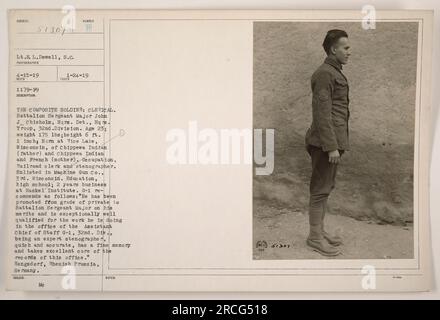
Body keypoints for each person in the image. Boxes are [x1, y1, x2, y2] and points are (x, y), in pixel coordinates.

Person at [304, 29, 351, 256]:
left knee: (325, 189)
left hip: (330, 142)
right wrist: (331, 146)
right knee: (320, 191)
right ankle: (314, 237)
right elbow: (322, 115)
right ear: (334, 49)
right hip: (324, 144)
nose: (349, 52)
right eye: (345, 48)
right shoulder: (325, 74)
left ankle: (319, 232)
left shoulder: (333, 72)